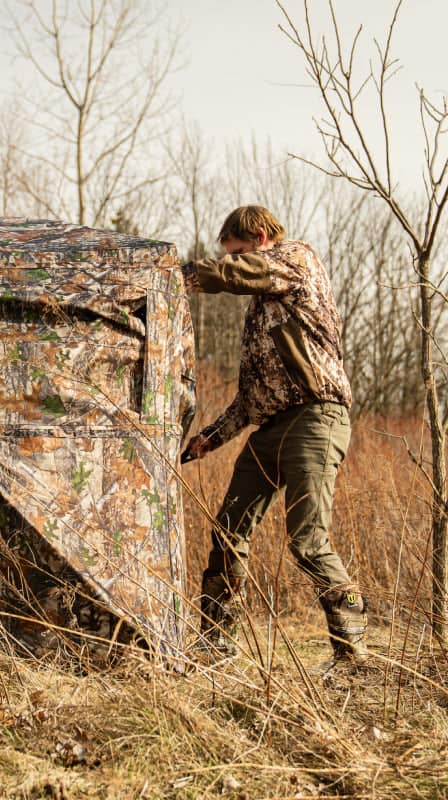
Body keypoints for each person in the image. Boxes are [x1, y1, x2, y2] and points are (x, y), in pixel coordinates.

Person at [180, 205, 367, 663]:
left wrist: (178, 275)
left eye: (239, 252)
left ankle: (353, 649)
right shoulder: (262, 309)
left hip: (315, 418)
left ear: (261, 238)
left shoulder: (296, 260)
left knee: (307, 541)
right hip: (269, 429)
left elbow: (241, 272)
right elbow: (250, 399)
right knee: (229, 529)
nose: (236, 263)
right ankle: (216, 643)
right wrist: (210, 438)